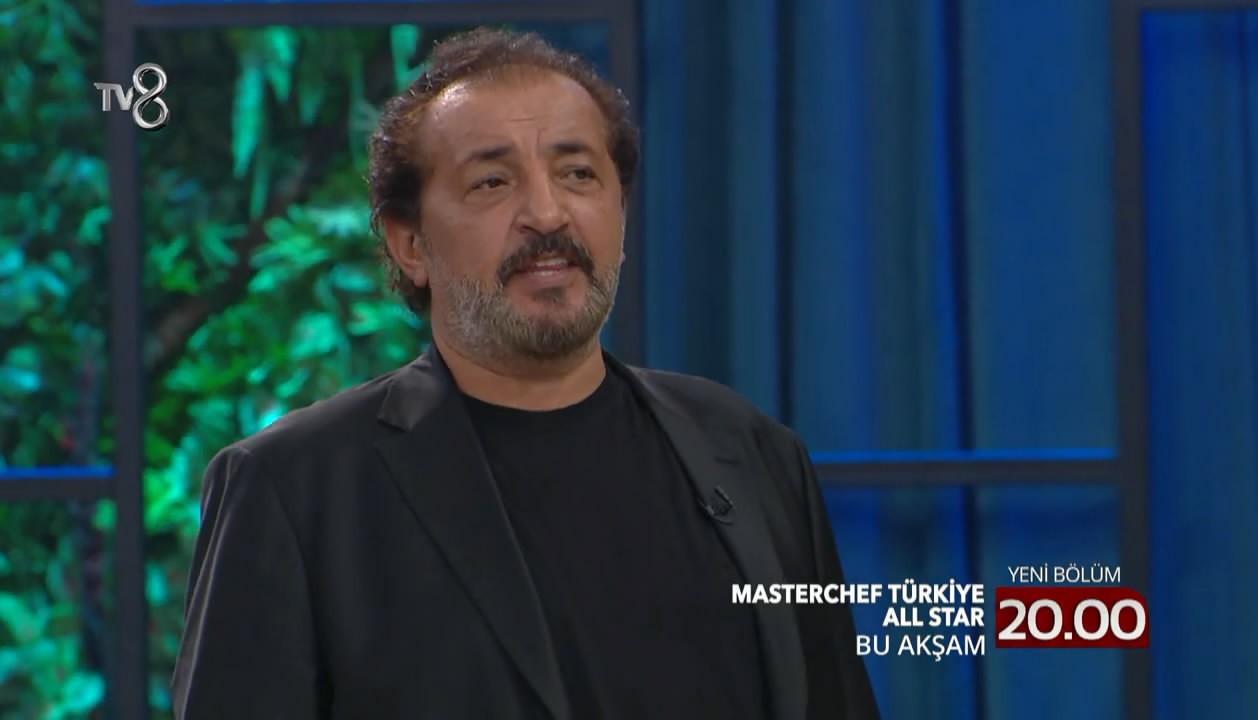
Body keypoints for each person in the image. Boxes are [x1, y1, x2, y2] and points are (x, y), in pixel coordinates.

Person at [171, 27, 879, 720]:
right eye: (492, 181)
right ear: (410, 244)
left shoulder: (751, 453)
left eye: (578, 174)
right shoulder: (294, 489)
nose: (546, 214)